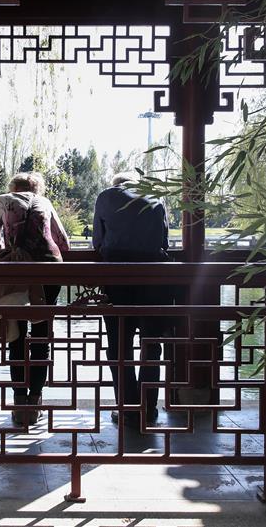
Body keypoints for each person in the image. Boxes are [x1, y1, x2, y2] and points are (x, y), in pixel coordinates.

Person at [0, 172, 69, 426]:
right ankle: (36, 400)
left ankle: (20, 402)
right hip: (49, 273)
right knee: (42, 336)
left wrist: (1, 248)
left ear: (13, 187)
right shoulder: (45, 203)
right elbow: (64, 242)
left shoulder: (4, 201)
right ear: (37, 188)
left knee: (16, 336)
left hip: (18, 271)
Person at [92, 172, 171, 426]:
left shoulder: (105, 197)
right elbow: (164, 242)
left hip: (117, 278)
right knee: (151, 343)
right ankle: (148, 407)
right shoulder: (156, 197)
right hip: (154, 279)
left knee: (118, 344)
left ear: (117, 185)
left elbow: (97, 242)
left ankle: (127, 408)